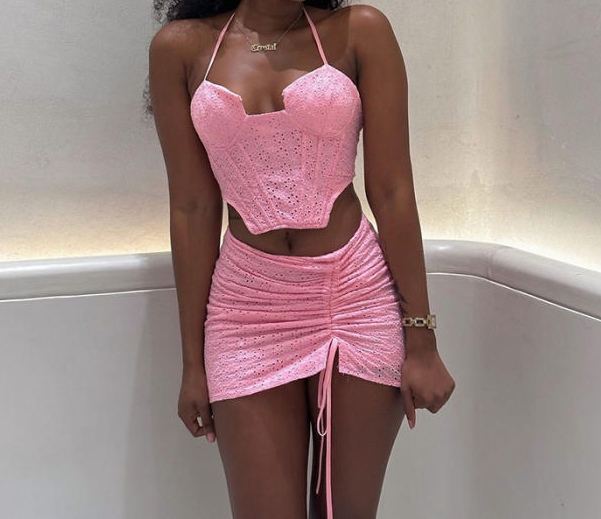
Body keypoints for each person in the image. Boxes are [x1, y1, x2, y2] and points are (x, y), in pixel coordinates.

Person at [148, 1, 455, 517]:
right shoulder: (180, 48)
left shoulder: (360, 30)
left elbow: (393, 191)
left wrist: (421, 340)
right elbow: (193, 207)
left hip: (353, 298)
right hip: (247, 311)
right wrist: (193, 365)